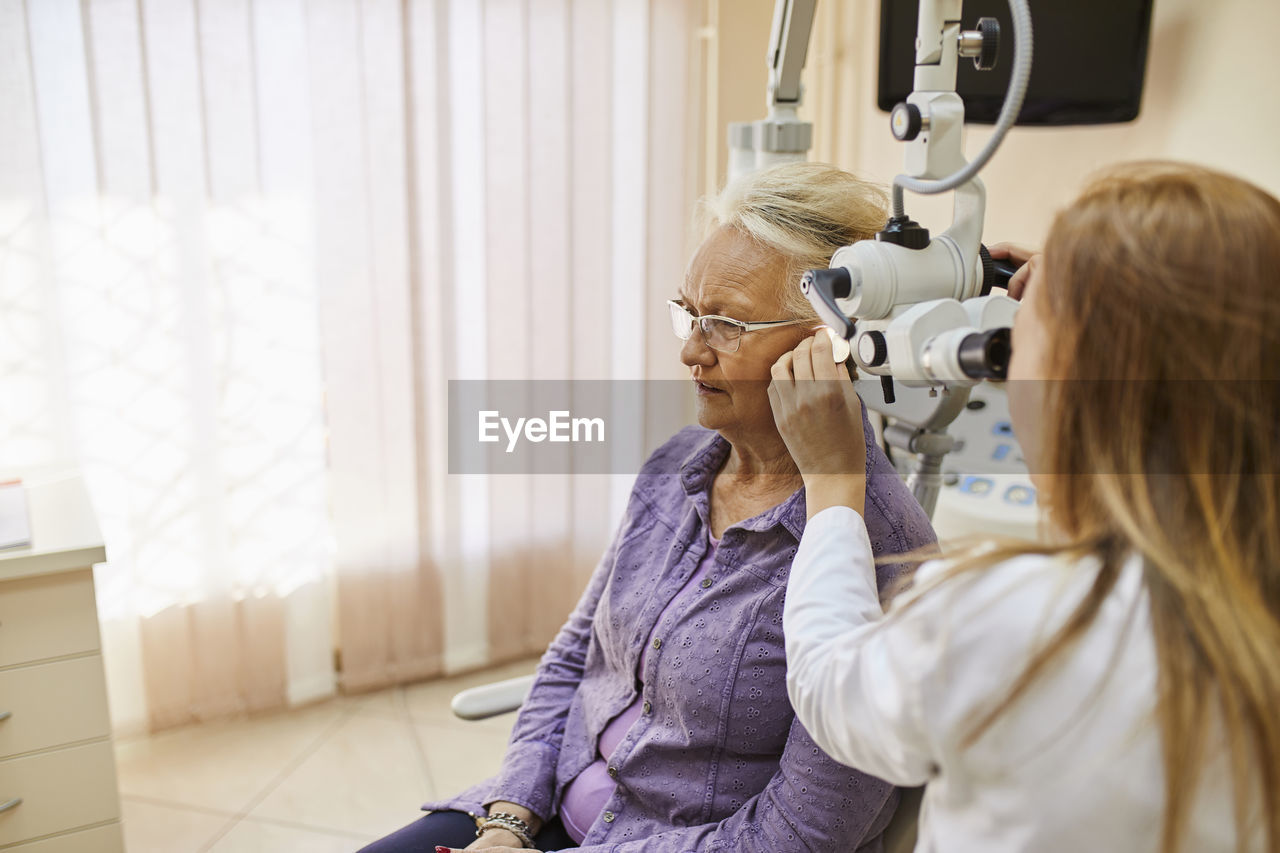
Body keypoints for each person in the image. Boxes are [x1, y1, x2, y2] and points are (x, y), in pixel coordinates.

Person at [358, 162, 936, 853]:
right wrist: (507, 820)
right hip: (541, 812)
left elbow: (801, 832)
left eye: (725, 324)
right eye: (690, 314)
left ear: (828, 343)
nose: (691, 350)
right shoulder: (681, 462)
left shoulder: (887, 552)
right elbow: (577, 655)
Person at [769, 161, 1280, 852]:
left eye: (1020, 345)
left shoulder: (1013, 615)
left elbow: (835, 691)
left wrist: (831, 482)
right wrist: (1097, 280)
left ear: (1080, 386)